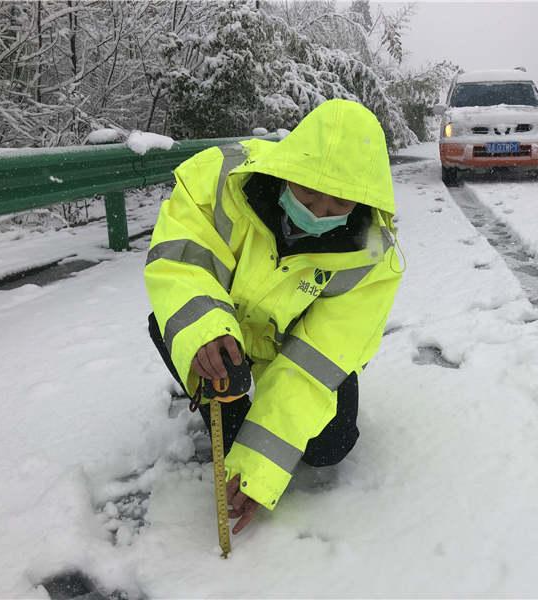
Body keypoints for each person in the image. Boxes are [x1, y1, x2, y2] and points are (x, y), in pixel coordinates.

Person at [144, 99, 402, 534]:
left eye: (339, 201)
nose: (319, 212)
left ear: (363, 198)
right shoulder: (218, 181)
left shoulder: (372, 260)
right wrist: (206, 330)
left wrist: (258, 472)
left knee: (329, 446)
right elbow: (181, 263)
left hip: (295, 354)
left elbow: (315, 362)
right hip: (225, 339)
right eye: (308, 191)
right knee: (176, 324)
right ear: (288, 169)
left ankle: (246, 412)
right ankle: (222, 404)